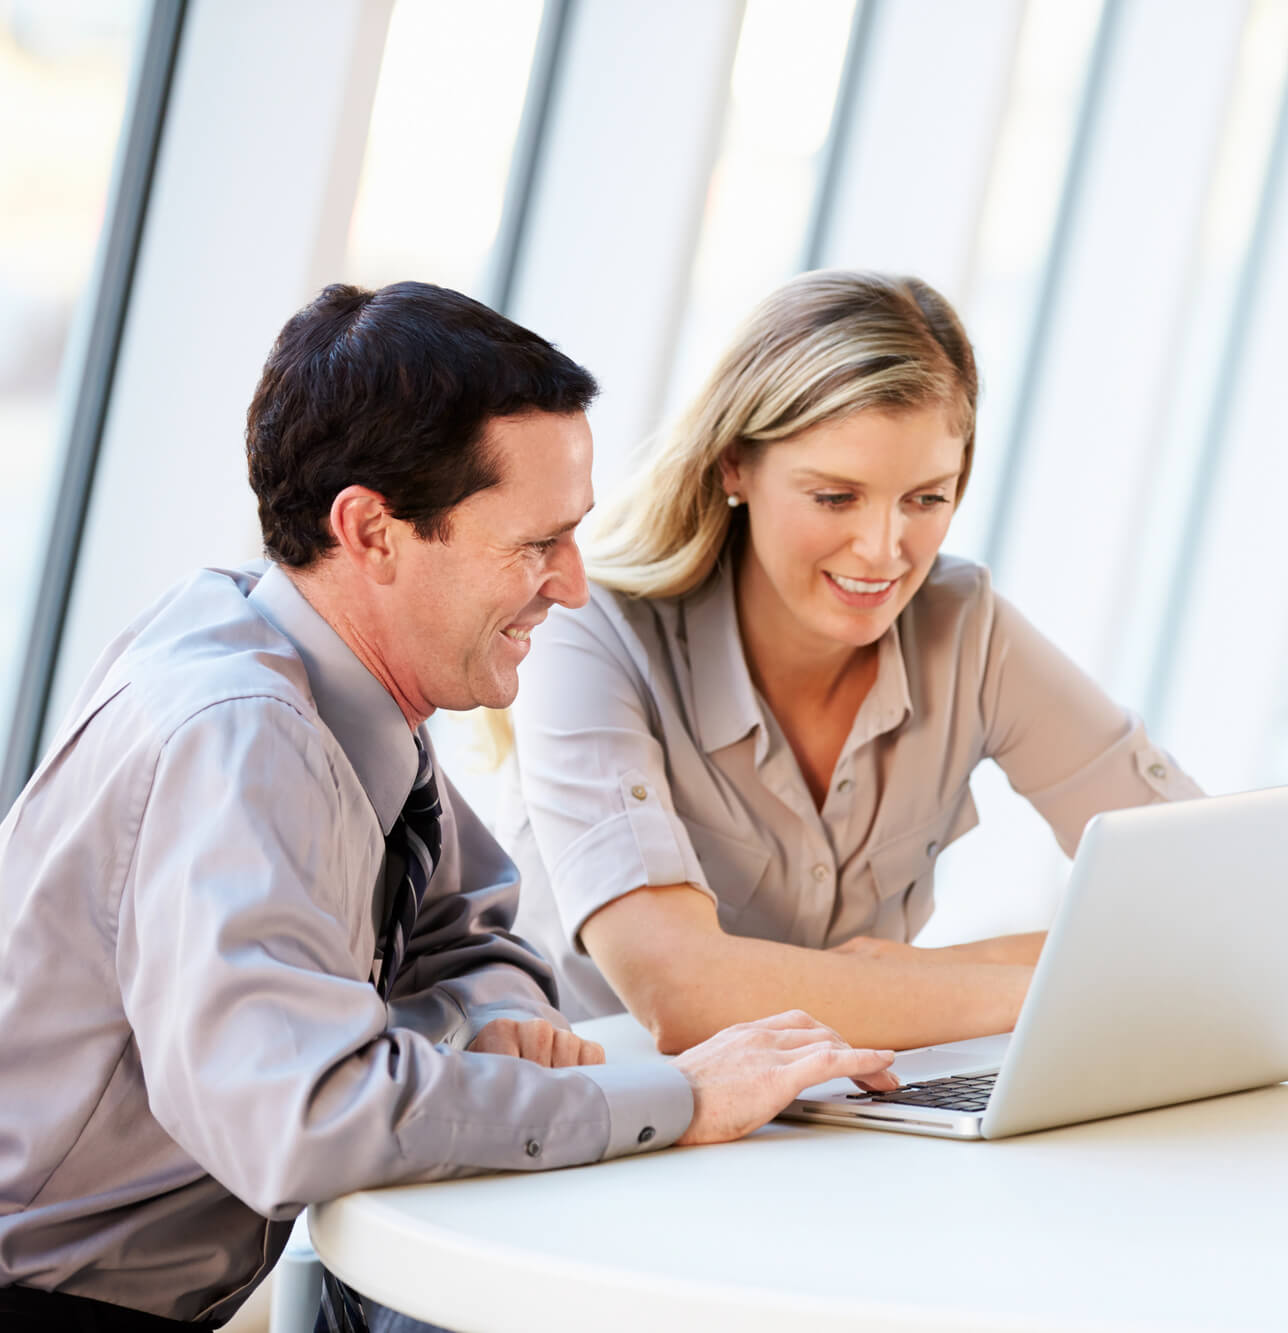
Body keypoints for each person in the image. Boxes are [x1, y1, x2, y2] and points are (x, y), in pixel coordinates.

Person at [0, 282, 895, 1332]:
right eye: (534, 544)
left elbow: (473, 930)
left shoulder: (332, 684)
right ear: (372, 531)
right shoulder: (242, 736)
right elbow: (308, 1115)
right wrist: (678, 1101)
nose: (570, 586)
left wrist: (493, 1015)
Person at [502, 270, 1202, 1055]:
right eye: (836, 497)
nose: (883, 550)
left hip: (846, 1123)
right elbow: (680, 990)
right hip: (604, 1127)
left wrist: (913, 977)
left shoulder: (965, 629)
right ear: (735, 463)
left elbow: (1200, 888)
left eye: (927, 499)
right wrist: (1038, 986)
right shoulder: (591, 632)